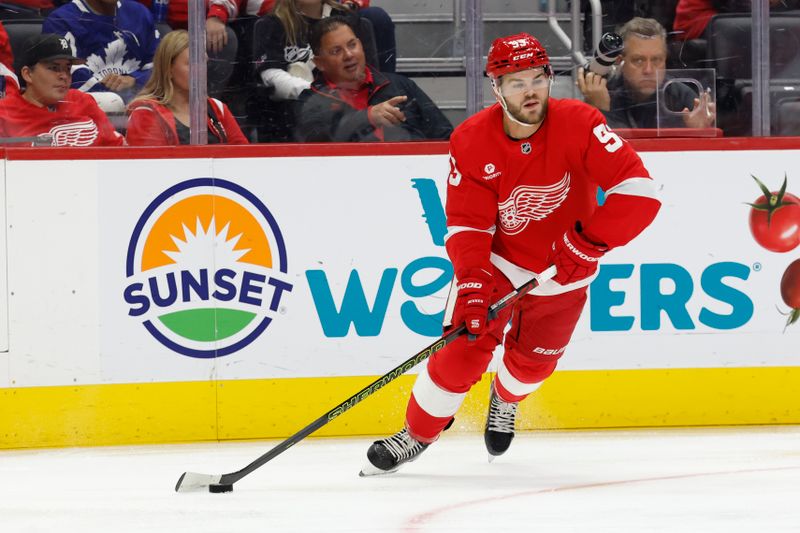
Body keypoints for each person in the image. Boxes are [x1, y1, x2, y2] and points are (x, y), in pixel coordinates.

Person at [360, 33, 661, 475]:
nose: (530, 91)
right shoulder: (470, 139)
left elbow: (639, 192)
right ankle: (417, 434)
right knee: (461, 350)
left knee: (533, 365)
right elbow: (468, 224)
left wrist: (590, 243)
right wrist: (475, 282)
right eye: (516, 83)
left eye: (537, 79)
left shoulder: (581, 122)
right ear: (496, 88)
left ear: (549, 78)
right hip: (499, 264)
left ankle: (505, 399)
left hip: (565, 269)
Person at [294, 17, 451, 142]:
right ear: (320, 63)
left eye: (352, 45)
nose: (348, 55)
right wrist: (368, 117)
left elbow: (445, 135)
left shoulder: (400, 85)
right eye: (336, 51)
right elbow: (315, 143)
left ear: (361, 46)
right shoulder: (308, 100)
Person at [576, 17, 716, 129]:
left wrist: (697, 132)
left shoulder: (683, 97)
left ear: (665, 59)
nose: (648, 70)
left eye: (656, 60)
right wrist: (600, 111)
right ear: (620, 61)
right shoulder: (604, 94)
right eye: (638, 60)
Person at [126, 29, 248, 145]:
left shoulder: (217, 108)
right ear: (168, 69)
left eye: (203, 63)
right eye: (192, 63)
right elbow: (150, 165)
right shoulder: (146, 113)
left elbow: (244, 158)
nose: (200, 70)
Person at [0, 33, 125, 146]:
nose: (64, 76)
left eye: (68, 69)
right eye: (54, 68)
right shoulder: (4, 114)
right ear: (28, 74)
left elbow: (118, 150)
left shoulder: (82, 101)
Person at [43, 0, 160, 102]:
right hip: (88, 111)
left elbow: (161, 69)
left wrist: (135, 80)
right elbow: (72, 80)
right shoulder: (60, 21)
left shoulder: (139, 13)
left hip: (141, 106)